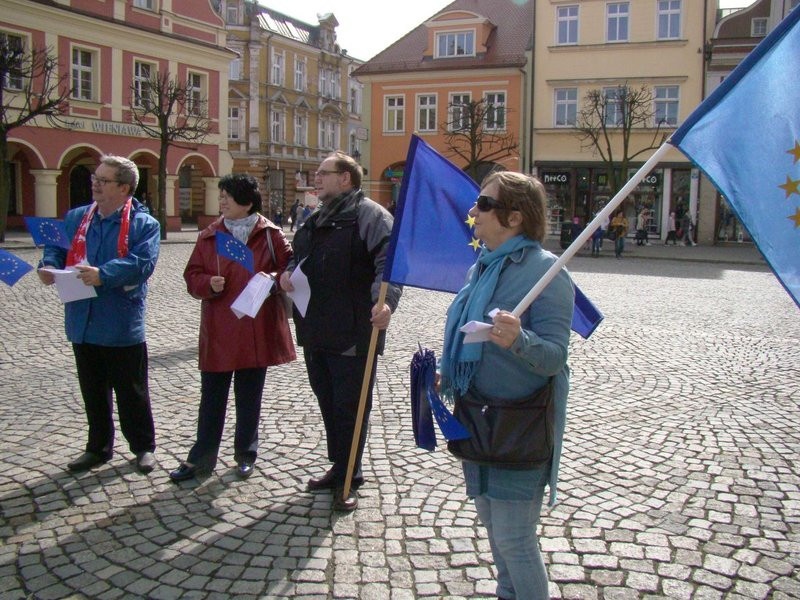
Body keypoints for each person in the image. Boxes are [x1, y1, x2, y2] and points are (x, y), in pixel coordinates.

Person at [438, 171, 573, 600]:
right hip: (478, 418)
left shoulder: (546, 272)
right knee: (496, 532)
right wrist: (451, 368)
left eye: (484, 204)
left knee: (515, 539)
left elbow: (554, 358)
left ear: (515, 216)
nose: (473, 212)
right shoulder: (481, 266)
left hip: (520, 427)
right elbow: (466, 338)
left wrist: (520, 340)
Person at [279, 151, 402, 512]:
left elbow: (388, 265)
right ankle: (340, 466)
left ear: (345, 178)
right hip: (316, 326)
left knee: (351, 406)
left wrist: (386, 302)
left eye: (323, 173)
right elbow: (297, 257)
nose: (315, 178)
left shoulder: (371, 216)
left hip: (353, 330)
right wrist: (288, 273)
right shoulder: (316, 218)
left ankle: (350, 477)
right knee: (329, 403)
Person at [37, 155, 160, 474]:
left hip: (120, 323)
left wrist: (103, 273)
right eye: (95, 178)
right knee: (92, 391)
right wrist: (47, 266)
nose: (95, 184)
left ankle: (143, 446)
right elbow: (56, 248)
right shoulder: (77, 217)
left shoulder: (143, 224)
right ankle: (98, 447)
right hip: (82, 320)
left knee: (131, 392)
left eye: (103, 180)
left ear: (124, 188)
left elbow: (142, 263)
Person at [170, 174, 295, 482]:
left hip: (256, 328)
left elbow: (290, 268)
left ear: (247, 202)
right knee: (212, 396)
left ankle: (245, 454)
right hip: (220, 329)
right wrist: (207, 284)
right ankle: (202, 457)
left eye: (227, 196)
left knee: (249, 395)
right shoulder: (210, 235)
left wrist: (274, 279)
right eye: (221, 195)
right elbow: (192, 276)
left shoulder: (271, 234)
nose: (221, 201)